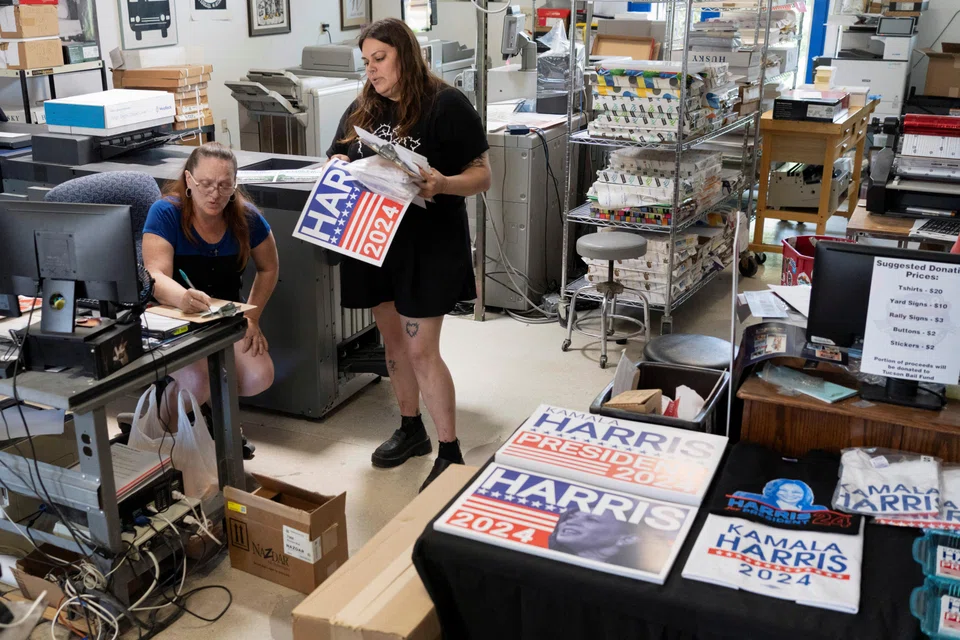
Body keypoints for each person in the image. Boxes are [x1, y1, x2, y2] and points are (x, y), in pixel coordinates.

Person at [327, 18, 492, 491]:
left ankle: (450, 449)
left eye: (380, 59)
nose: (372, 70)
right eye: (366, 62)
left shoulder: (445, 104)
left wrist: (442, 183)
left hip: (428, 242)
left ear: (405, 54)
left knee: (421, 350)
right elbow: (339, 155)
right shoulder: (365, 107)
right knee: (393, 345)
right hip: (374, 239)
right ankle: (410, 427)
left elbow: (482, 176)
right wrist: (338, 163)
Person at [142, 142, 279, 447]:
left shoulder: (248, 218)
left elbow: (269, 268)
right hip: (173, 317)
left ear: (234, 185)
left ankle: (207, 417)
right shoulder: (165, 212)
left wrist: (252, 317)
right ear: (189, 180)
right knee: (195, 381)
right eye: (205, 184)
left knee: (259, 375)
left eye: (224, 185)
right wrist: (181, 297)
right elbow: (155, 275)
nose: (214, 194)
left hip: (222, 319)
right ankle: (160, 436)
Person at [733, 479, 827, 512]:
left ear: (805, 495)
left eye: (796, 492)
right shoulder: (751, 499)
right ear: (775, 492)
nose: (789, 495)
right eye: (783, 490)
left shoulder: (818, 510)